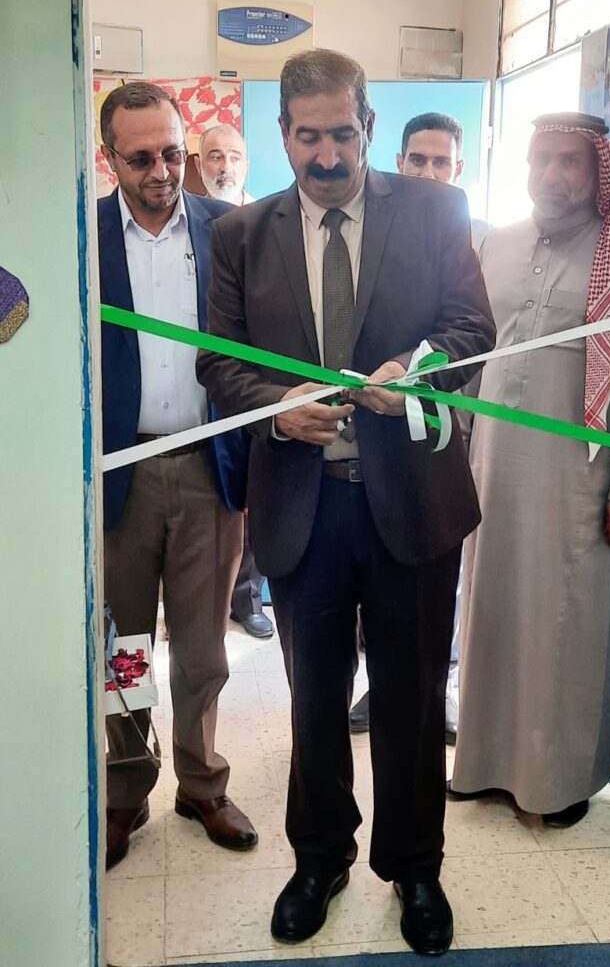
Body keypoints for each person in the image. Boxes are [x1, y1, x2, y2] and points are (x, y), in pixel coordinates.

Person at [197, 49, 495, 955]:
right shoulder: (241, 235)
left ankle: (415, 868)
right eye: (307, 137)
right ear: (282, 133)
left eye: (341, 134)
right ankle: (319, 859)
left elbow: (472, 330)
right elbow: (219, 360)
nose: (326, 155)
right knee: (315, 700)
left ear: (368, 125)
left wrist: (415, 371)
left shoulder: (437, 211)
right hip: (304, 509)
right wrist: (277, 410)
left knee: (411, 700)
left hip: (413, 504)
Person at [449, 111, 610, 829]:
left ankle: (561, 780)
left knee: (568, 623)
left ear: (597, 167)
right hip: (491, 464)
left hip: (579, 475)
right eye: (540, 158)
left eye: (568, 160)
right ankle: (482, 763)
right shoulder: (496, 243)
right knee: (490, 610)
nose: (551, 174)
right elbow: (471, 355)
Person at [99, 82, 256, 869]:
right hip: (117, 476)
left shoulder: (227, 230)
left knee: (203, 650)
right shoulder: (80, 235)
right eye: (141, 159)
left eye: (171, 153)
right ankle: (127, 786)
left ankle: (201, 783)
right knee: (125, 648)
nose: (161, 171)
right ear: (110, 159)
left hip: (207, 469)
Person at [349, 111, 490, 741]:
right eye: (417, 161)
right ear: (397, 162)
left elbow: (474, 333)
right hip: (368, 444)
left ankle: (438, 691)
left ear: (459, 170)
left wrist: (419, 372)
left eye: (441, 163)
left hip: (447, 441)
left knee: (432, 603)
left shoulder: (478, 236)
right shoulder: (369, 227)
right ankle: (377, 688)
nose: (428, 173)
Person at [195, 124, 273, 640]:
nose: (224, 167)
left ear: (247, 164)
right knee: (212, 498)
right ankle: (206, 600)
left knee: (256, 490)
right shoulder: (191, 222)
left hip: (260, 382)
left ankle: (249, 596)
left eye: (233, 157)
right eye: (214, 157)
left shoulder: (269, 223)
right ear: (199, 165)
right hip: (205, 379)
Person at [195, 124, 253, 206]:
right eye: (216, 157)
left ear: (246, 167)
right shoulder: (186, 213)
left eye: (235, 159)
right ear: (199, 166)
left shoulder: (266, 213)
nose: (226, 168)